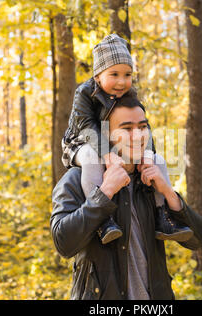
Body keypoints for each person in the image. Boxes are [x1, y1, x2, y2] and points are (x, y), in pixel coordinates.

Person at [51, 95, 202, 300]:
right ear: (105, 135)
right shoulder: (77, 178)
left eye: (142, 127)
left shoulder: (152, 181)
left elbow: (198, 239)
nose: (138, 136)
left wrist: (169, 192)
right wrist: (103, 194)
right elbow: (63, 243)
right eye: (126, 129)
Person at [61, 34, 192, 244]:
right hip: (81, 141)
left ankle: (162, 215)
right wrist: (107, 154)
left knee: (157, 162)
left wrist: (148, 154)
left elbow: (143, 124)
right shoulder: (84, 93)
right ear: (97, 76)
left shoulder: (128, 93)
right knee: (91, 157)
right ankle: (103, 220)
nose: (122, 82)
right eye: (114, 74)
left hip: (112, 142)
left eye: (127, 74)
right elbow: (86, 126)